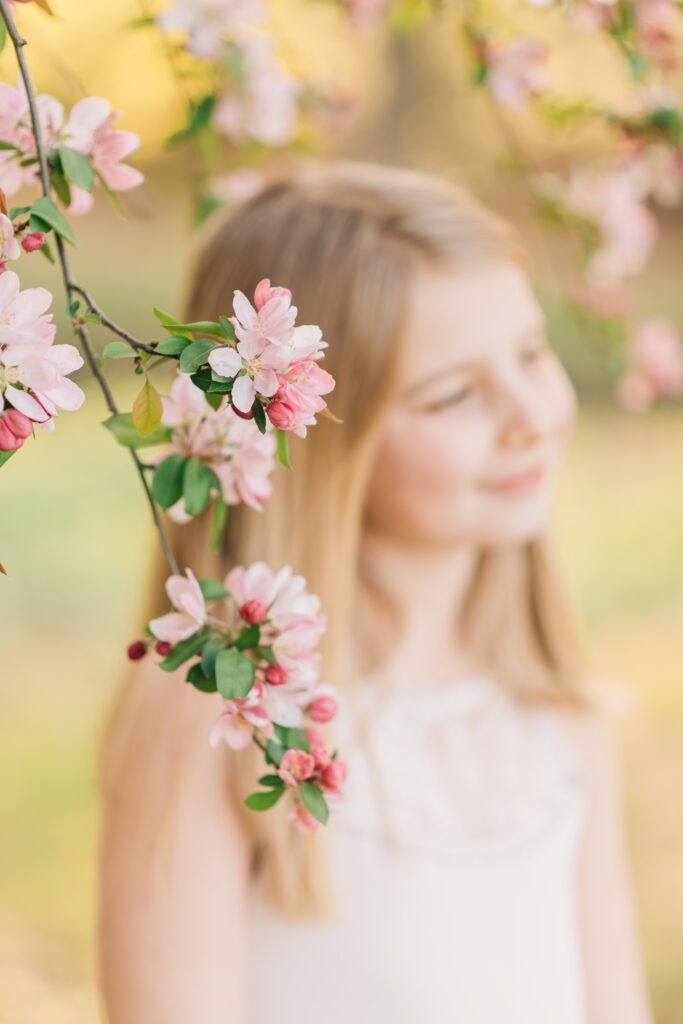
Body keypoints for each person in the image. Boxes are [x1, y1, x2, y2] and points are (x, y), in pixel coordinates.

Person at [96, 161, 654, 1023]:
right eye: (452, 393)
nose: (530, 413)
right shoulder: (215, 715)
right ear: (317, 440)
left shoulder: (556, 714)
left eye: (531, 353)